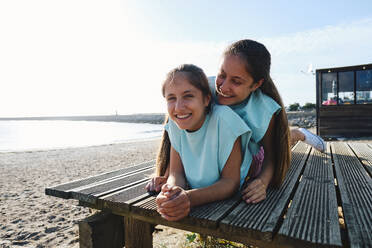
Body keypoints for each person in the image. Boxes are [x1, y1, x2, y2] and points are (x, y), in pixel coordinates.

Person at [147, 39, 325, 204]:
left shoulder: (263, 109)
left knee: (285, 140)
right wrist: (168, 174)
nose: (223, 87)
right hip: (218, 150)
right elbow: (180, 132)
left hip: (253, 153)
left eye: (236, 81)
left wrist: (262, 182)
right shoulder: (205, 89)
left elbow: (272, 156)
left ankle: (299, 133)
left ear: (256, 85)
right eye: (222, 75)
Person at [156, 64, 253, 221]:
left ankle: (294, 135)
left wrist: (189, 198)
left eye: (188, 96)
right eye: (171, 98)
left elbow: (230, 182)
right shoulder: (175, 125)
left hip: (243, 181)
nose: (179, 108)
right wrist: (171, 192)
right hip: (202, 188)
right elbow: (176, 172)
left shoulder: (225, 121)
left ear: (206, 99)